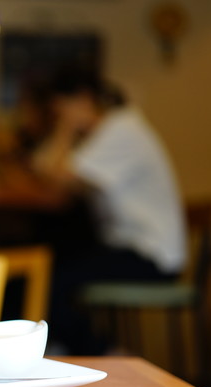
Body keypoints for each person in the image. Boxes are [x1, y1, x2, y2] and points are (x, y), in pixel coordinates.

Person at [27, 69, 187, 354]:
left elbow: (54, 177)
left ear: (82, 99)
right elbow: (43, 168)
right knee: (58, 267)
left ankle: (102, 353)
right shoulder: (111, 130)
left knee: (55, 278)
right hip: (130, 249)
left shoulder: (121, 129)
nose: (59, 118)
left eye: (61, 111)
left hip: (152, 256)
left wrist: (65, 128)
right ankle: (72, 348)